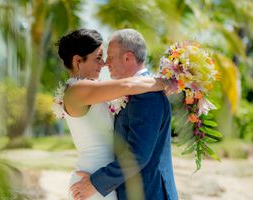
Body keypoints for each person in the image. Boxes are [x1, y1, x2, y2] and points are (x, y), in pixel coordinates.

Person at [54, 28, 169, 200]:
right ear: (78, 61)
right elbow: (128, 86)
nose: (104, 64)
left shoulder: (94, 89)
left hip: (102, 181)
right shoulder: (77, 90)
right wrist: (169, 81)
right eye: (98, 58)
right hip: (91, 180)